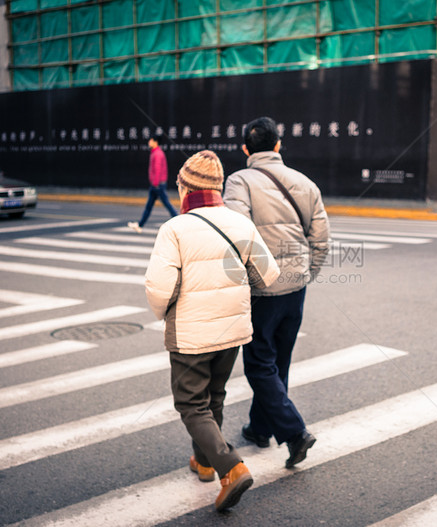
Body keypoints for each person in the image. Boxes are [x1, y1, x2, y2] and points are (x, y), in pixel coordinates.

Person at [144, 150, 280, 512]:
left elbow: (159, 290)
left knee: (191, 403)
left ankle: (230, 466)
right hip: (232, 329)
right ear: (219, 187)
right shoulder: (240, 223)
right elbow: (269, 275)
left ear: (185, 187)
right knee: (213, 396)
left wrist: (165, 311)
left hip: (191, 333)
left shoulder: (174, 228)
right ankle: (205, 462)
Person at [222, 116, 330, 469]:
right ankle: (260, 428)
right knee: (278, 361)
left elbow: (237, 235)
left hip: (262, 290)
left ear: (245, 149)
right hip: (296, 288)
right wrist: (305, 275)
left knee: (258, 364)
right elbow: (321, 239)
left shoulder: (239, 181)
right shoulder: (305, 182)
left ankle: (295, 433)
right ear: (279, 145)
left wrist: (248, 279)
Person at [129, 134, 178, 233]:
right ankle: (140, 225)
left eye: (150, 140)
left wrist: (155, 184)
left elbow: (157, 169)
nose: (149, 142)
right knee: (150, 206)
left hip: (157, 185)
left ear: (155, 142)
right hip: (156, 184)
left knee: (166, 204)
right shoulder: (155, 153)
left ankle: (179, 221)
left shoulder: (157, 154)